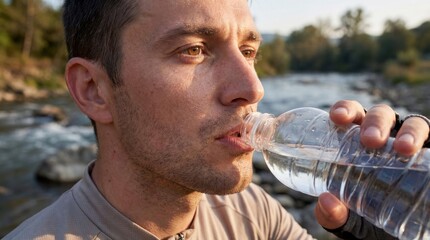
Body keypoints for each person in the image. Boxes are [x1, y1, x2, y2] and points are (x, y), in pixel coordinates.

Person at [5, 0, 430, 239]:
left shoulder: (253, 213)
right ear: (93, 90)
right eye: (193, 49)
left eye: (248, 51)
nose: (253, 87)